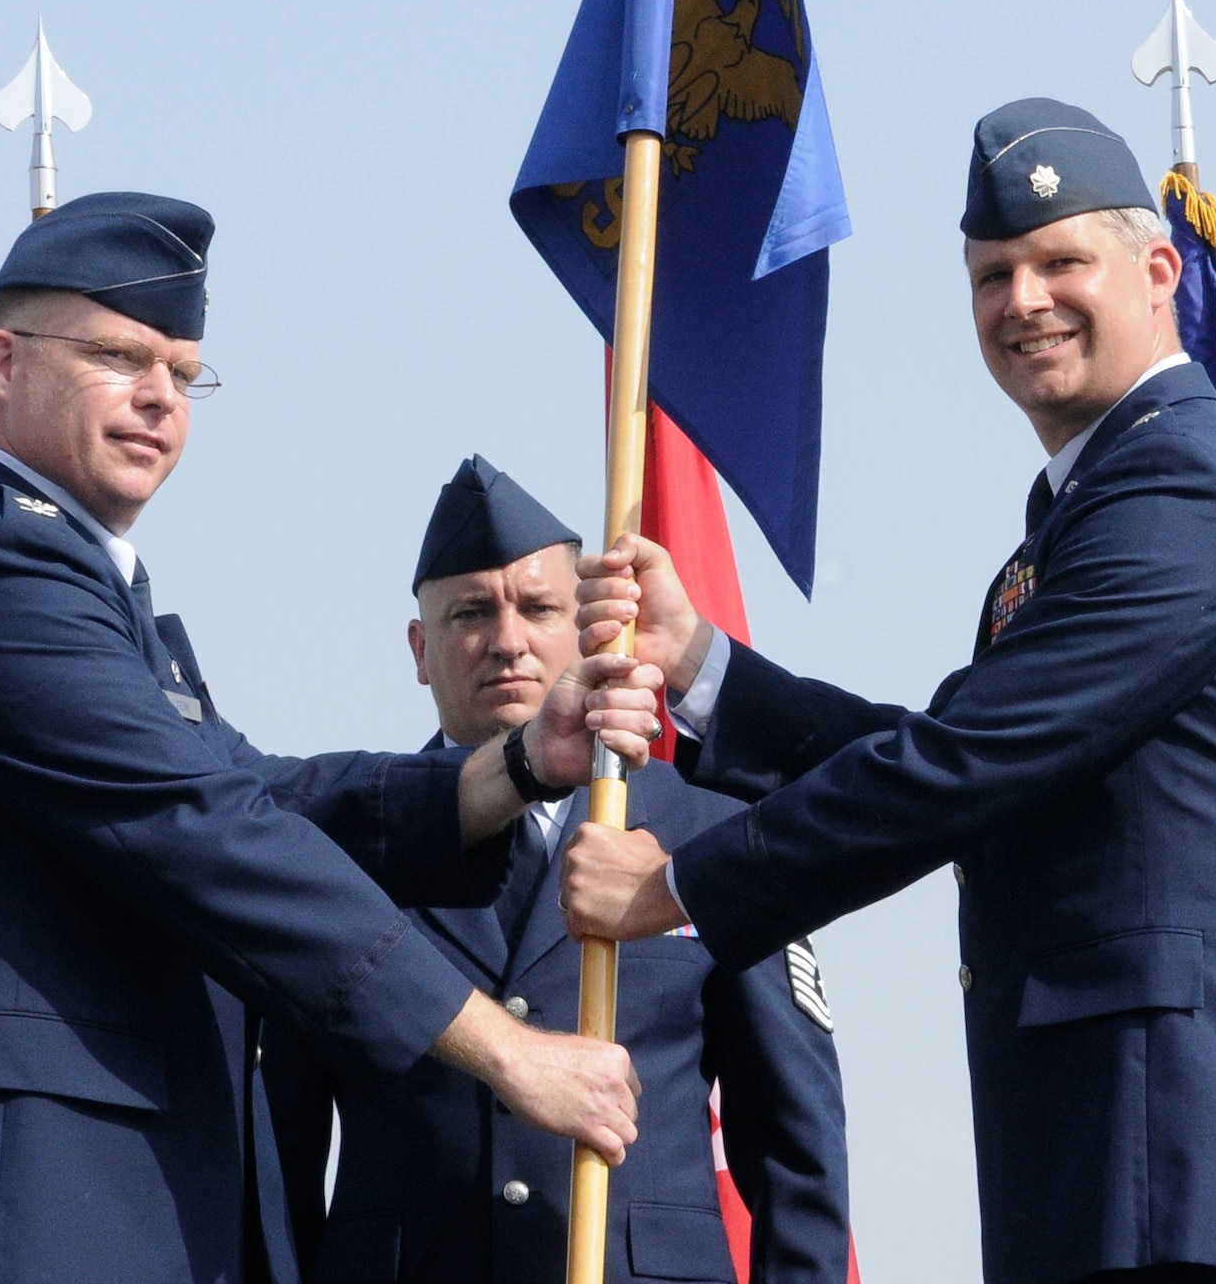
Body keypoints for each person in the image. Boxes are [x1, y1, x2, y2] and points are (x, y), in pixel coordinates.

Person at [562, 101, 1216, 1284]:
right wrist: (701, 663)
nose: (1023, 300)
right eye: (991, 273)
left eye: (1062, 262)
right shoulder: (1084, 507)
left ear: (1157, 269)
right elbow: (965, 752)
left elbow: (965, 767)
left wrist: (678, 882)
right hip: (1121, 1172)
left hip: (1200, 1183)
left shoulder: (1179, 492)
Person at [0, 193, 666, 1284]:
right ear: (4, 361)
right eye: (116, 354)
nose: (159, 396)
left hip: (103, 1210)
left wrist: (517, 765)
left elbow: (256, 796)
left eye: (183, 373)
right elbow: (208, 831)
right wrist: (508, 1049)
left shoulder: (80, 590)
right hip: (3, 1216)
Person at [260, 455, 852, 1284]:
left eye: (537, 607)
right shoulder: (348, 840)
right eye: (471, 613)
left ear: (589, 629)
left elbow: (796, 1144)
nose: (506, 640)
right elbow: (278, 1143)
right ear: (421, 649)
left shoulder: (709, 832)